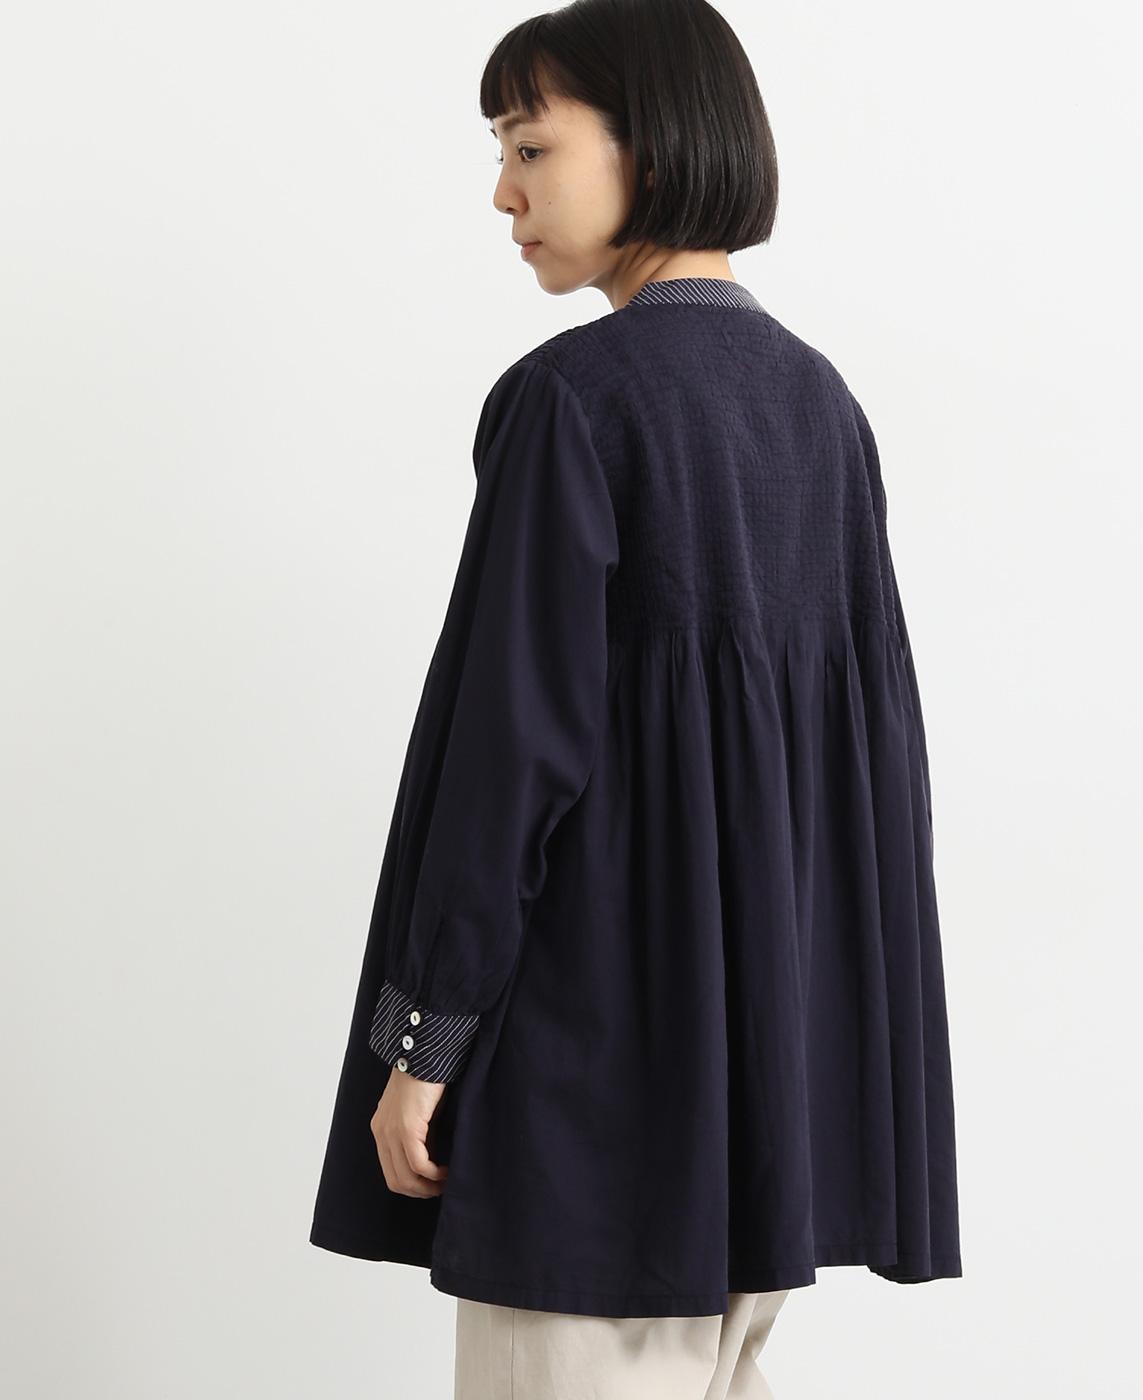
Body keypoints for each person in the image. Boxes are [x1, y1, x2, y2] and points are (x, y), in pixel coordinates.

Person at [309, 1, 963, 1395]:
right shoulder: (823, 408)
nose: (504, 194)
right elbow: (871, 774)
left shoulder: (573, 401)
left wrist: (424, 1043)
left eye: (530, 146)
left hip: (590, 1126)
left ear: (650, 149)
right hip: (758, 1131)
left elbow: (510, 752)